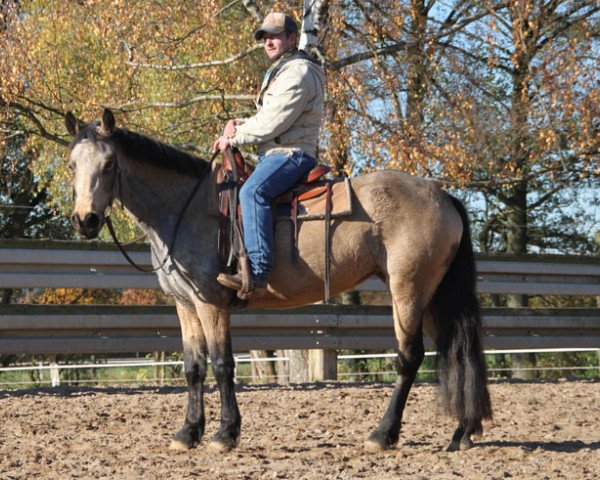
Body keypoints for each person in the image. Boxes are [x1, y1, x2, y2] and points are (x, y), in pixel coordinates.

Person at [213, 12, 326, 296]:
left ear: (291, 37)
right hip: (276, 152)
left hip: (291, 154)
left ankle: (258, 272)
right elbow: (268, 117)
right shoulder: (284, 70)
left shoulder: (298, 71)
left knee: (252, 192)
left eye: (275, 35)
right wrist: (239, 124)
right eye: (264, 37)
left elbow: (275, 122)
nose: (268, 42)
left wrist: (233, 138)